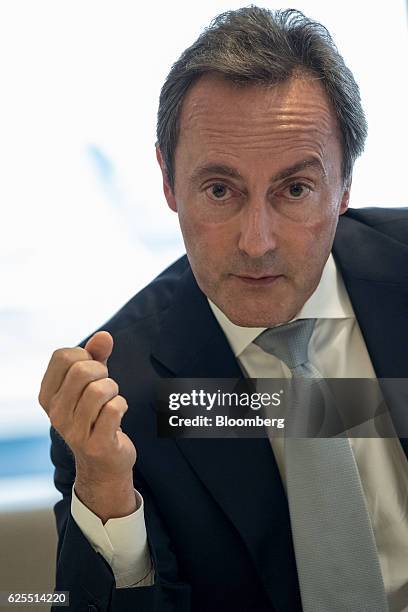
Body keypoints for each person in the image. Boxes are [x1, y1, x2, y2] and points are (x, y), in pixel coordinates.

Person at [39, 7, 408, 612]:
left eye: (294, 189)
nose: (256, 241)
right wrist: (108, 493)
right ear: (167, 181)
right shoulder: (119, 393)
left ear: (344, 185)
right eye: (219, 190)